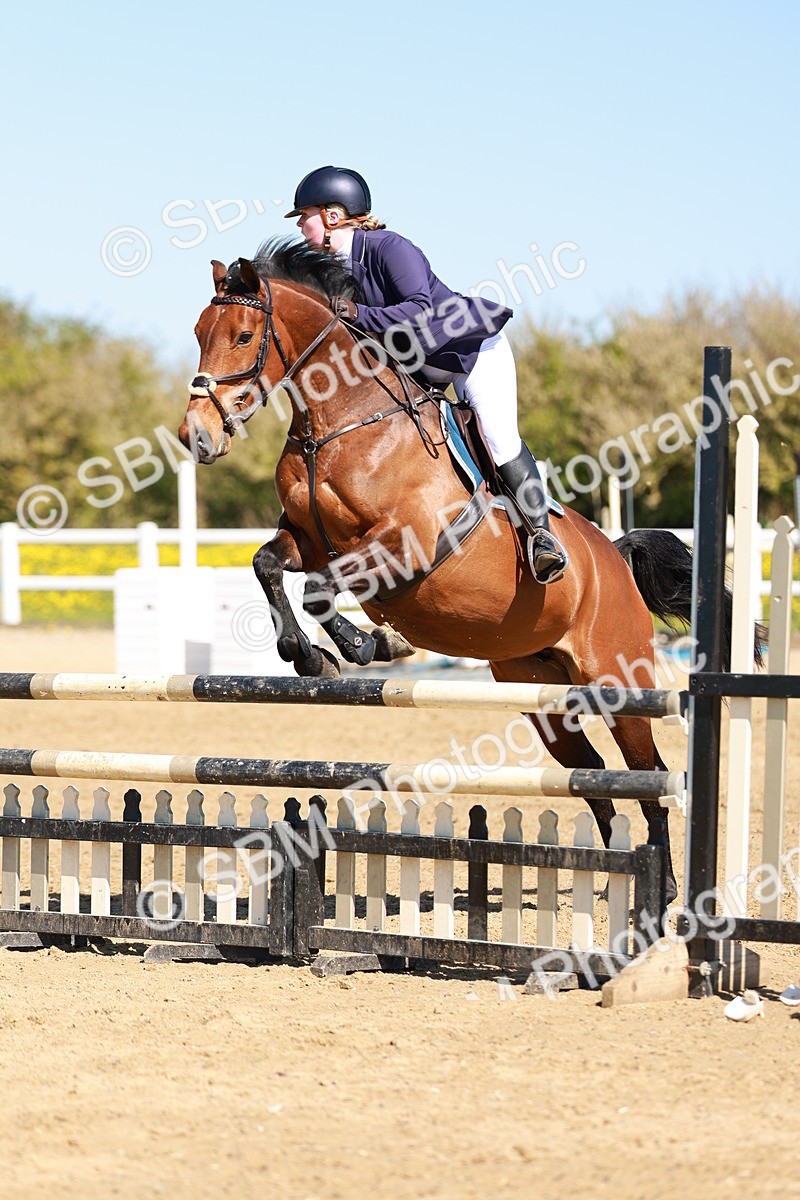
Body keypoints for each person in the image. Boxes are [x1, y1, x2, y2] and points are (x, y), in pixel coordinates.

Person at [285, 165, 569, 584]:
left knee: (497, 438)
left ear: (332, 215)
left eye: (303, 215)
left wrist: (358, 313)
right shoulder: (330, 272)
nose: (301, 226)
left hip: (468, 351)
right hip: (417, 367)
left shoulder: (389, 247)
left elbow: (421, 309)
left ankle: (543, 536)